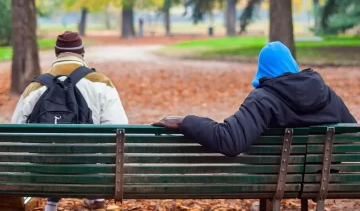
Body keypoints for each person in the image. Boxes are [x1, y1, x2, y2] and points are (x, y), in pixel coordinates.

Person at [152, 41, 357, 157]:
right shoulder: (326, 93)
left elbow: (230, 141)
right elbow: (352, 136)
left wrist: (184, 121)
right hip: (321, 178)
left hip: (273, 179)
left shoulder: (263, 99)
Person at [11, 31, 128, 211]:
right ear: (82, 53)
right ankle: (95, 195)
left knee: (54, 148)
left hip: (42, 174)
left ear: (57, 53)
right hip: (91, 175)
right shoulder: (101, 84)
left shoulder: (35, 87)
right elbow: (121, 129)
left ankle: (51, 203)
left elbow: (15, 135)